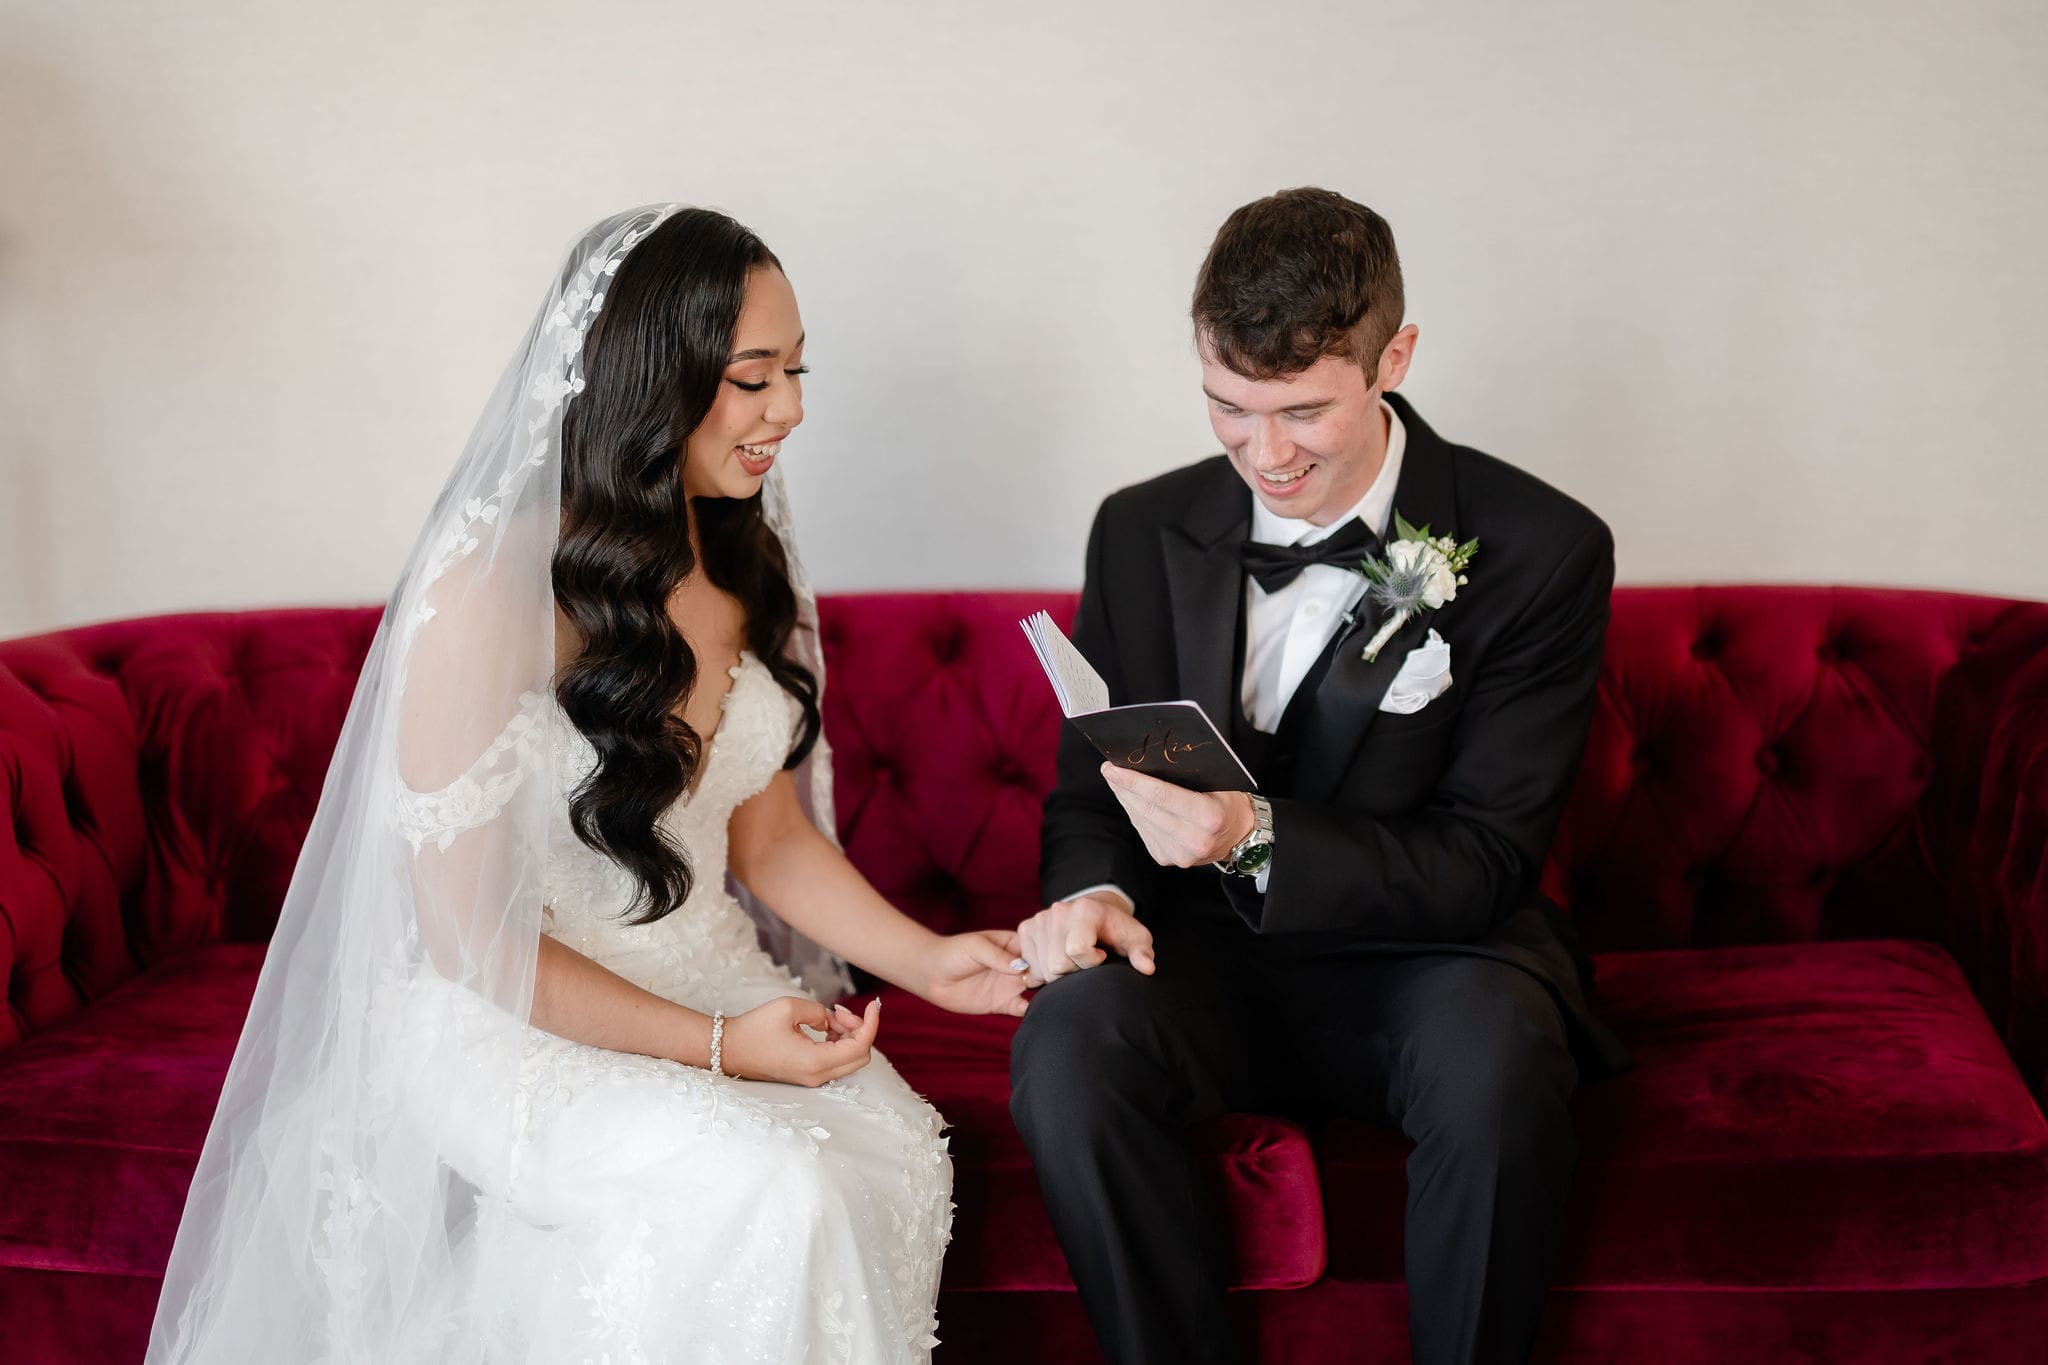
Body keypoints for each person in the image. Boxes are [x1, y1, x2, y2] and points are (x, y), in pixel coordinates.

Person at [146, 205, 1028, 1365]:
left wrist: (930, 961)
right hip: (506, 1015)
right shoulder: (483, 597)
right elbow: (469, 943)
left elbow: (764, 842)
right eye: (752, 377)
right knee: (766, 1189)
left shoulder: (740, 560)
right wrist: (717, 1051)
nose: (791, 411)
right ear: (649, 381)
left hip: (710, 968)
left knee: (898, 1147)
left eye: (796, 371)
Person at [1009, 187, 1631, 1365]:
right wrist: (1092, 895)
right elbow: (1088, 784)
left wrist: (1252, 833)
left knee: (1494, 1058)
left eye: (1301, 411)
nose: (1264, 453)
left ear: (1391, 358)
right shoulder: (1136, 528)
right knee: (1066, 1045)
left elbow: (1486, 859)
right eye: (1227, 408)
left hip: (1430, 962)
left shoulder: (1542, 548)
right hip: (1200, 959)